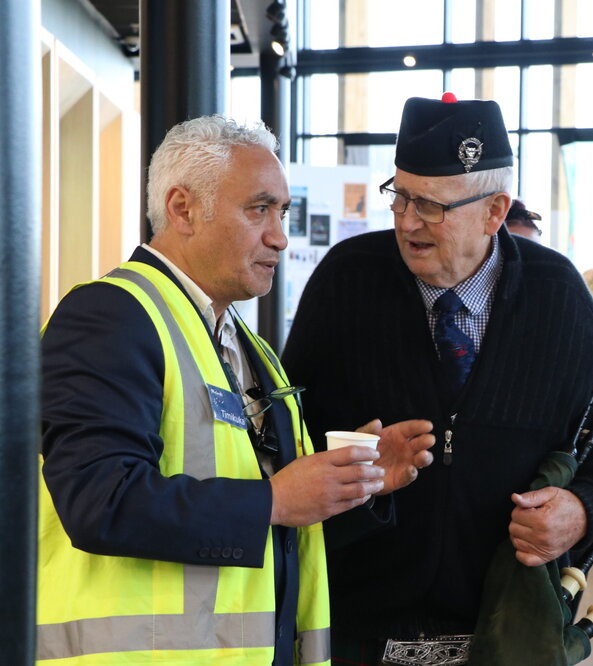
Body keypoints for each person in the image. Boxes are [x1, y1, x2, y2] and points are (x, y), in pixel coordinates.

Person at [37, 115, 434, 666]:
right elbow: (100, 502)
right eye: (258, 209)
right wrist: (276, 499)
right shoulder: (111, 316)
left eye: (282, 212)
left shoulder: (251, 348)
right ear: (182, 209)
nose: (280, 236)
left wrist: (349, 486)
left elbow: (269, 527)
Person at [282, 93, 593, 663]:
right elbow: (285, 436)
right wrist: (358, 470)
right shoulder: (345, 282)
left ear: (495, 211)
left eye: (430, 205)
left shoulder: (557, 294)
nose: (407, 221)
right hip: (355, 628)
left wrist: (583, 510)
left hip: (508, 629)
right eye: (400, 196)